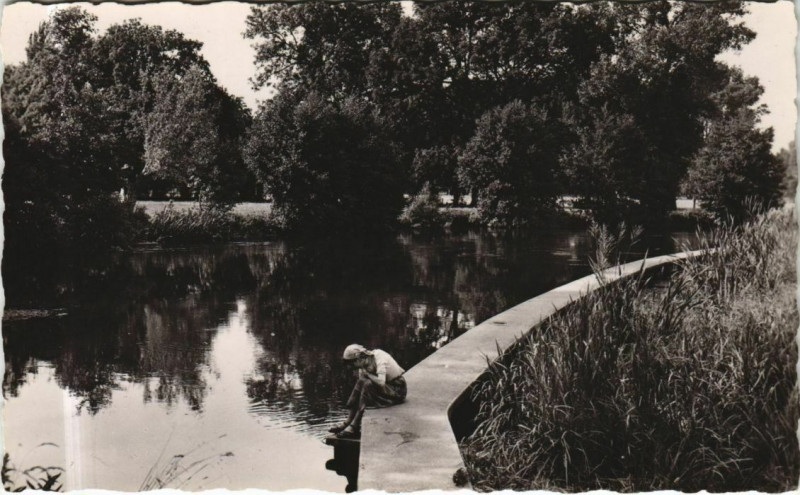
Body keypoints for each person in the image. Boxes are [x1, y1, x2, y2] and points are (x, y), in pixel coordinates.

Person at [329, 344, 407, 438]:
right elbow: (361, 385)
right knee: (362, 381)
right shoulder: (362, 366)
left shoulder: (379, 357)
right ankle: (348, 421)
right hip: (385, 390)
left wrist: (368, 375)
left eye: (352, 364)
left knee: (367, 384)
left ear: (359, 358)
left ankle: (354, 426)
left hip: (397, 389)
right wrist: (365, 376)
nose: (352, 367)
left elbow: (381, 382)